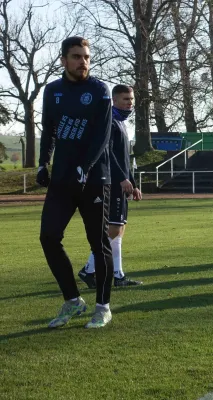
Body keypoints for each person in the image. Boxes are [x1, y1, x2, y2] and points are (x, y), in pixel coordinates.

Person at [37, 36, 114, 329]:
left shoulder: (99, 91)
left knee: (98, 243)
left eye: (86, 57)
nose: (83, 61)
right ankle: (72, 301)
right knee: (48, 237)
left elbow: (101, 136)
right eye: (76, 56)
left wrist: (86, 166)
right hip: (62, 179)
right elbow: (49, 131)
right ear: (63, 60)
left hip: (94, 179)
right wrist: (44, 163)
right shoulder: (53, 91)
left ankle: (103, 307)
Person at [78, 84, 143, 289]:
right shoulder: (110, 122)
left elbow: (125, 158)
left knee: (119, 228)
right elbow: (108, 155)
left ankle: (118, 275)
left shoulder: (123, 124)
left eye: (131, 99)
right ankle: (89, 270)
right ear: (114, 100)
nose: (129, 103)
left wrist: (133, 183)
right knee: (113, 228)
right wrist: (122, 178)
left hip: (122, 183)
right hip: (112, 183)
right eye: (125, 99)